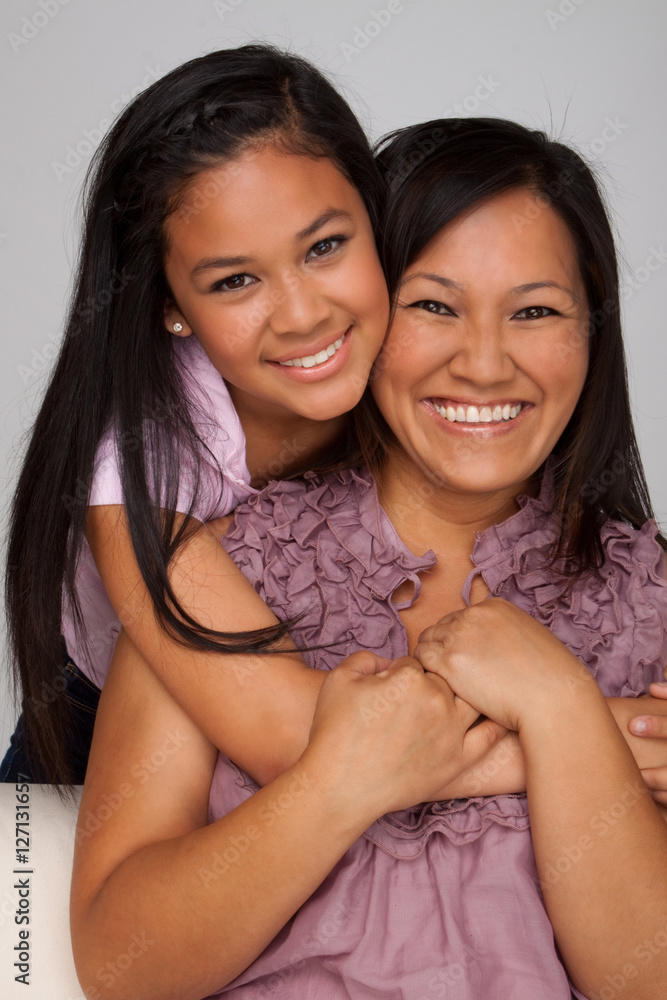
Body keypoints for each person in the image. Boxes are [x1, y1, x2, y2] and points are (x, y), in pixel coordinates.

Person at [71, 118, 667, 999]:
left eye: (535, 310)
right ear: (373, 308)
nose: (483, 361)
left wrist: (560, 704)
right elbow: (123, 965)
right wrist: (338, 788)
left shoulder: (650, 605)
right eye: (433, 304)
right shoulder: (221, 573)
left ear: (592, 331)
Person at [1, 43, 390, 784]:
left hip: (332, 689)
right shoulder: (138, 471)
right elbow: (286, 734)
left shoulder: (424, 358)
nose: (303, 314)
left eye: (325, 246)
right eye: (235, 280)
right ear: (171, 308)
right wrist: (582, 737)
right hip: (98, 728)